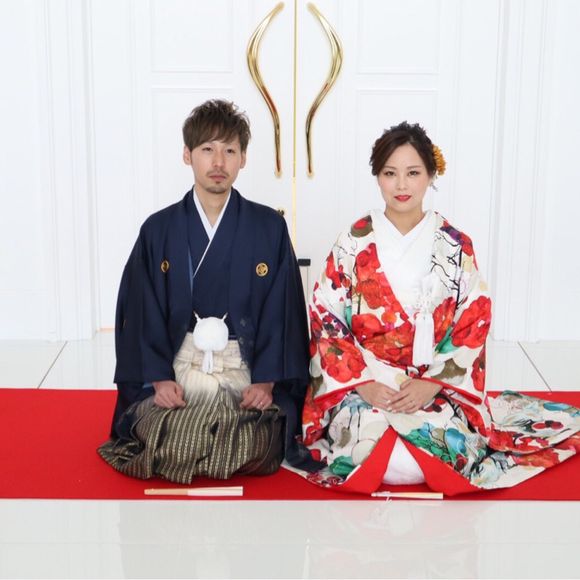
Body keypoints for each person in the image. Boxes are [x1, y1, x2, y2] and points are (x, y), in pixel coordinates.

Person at [299, 121, 580, 495]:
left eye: (413, 173)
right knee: (375, 450)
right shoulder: (352, 242)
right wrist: (364, 385)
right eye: (390, 173)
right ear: (377, 176)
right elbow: (326, 318)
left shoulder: (455, 244)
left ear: (431, 175)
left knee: (432, 450)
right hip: (367, 382)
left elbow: (473, 320)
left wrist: (431, 384)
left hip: (434, 384)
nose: (401, 185)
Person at [98, 99, 314, 483]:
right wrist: (159, 379)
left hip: (244, 371)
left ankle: (215, 437)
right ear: (188, 155)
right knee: (164, 438)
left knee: (258, 442)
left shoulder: (269, 228)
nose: (218, 162)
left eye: (229, 150)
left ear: (243, 158)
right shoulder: (158, 230)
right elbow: (143, 311)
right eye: (207, 149)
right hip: (180, 370)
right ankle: (194, 436)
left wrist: (266, 381)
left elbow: (282, 312)